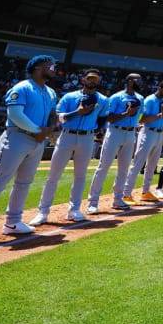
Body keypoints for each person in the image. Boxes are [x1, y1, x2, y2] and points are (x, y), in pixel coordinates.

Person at [0, 55, 57, 247]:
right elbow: (15, 114)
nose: (54, 69)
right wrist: (38, 131)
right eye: (50, 66)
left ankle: (13, 222)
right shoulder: (22, 87)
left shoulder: (50, 92)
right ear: (38, 68)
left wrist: (48, 130)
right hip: (18, 137)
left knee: (24, 183)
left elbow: (51, 114)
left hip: (38, 141)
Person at [30, 69, 106, 227]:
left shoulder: (103, 100)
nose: (92, 81)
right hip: (67, 135)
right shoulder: (70, 96)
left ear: (99, 81)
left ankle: (75, 209)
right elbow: (58, 117)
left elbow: (103, 118)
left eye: (95, 79)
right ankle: (43, 212)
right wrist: (77, 112)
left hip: (87, 138)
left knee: (80, 176)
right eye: (90, 78)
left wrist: (97, 131)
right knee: (53, 175)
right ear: (83, 79)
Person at [86, 73, 144, 213]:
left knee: (124, 168)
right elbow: (109, 118)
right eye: (137, 79)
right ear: (129, 81)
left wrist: (135, 121)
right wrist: (126, 113)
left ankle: (118, 199)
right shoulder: (116, 97)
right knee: (103, 166)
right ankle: (93, 202)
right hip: (115, 132)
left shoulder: (140, 98)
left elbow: (139, 116)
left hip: (130, 133)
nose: (140, 82)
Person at [124, 80, 163, 201]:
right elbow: (142, 119)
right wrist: (159, 115)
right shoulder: (149, 100)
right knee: (138, 163)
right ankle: (126, 193)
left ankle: (146, 192)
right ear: (160, 88)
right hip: (147, 132)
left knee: (152, 165)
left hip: (158, 133)